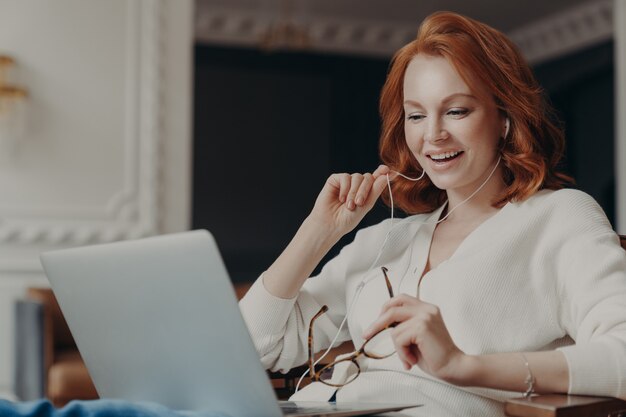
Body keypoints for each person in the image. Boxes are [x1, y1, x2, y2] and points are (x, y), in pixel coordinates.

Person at [239, 11, 626, 417]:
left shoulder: (559, 217)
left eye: (457, 111)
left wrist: (464, 365)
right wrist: (317, 232)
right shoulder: (384, 239)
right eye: (417, 115)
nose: (433, 134)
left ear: (505, 119)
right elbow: (249, 349)